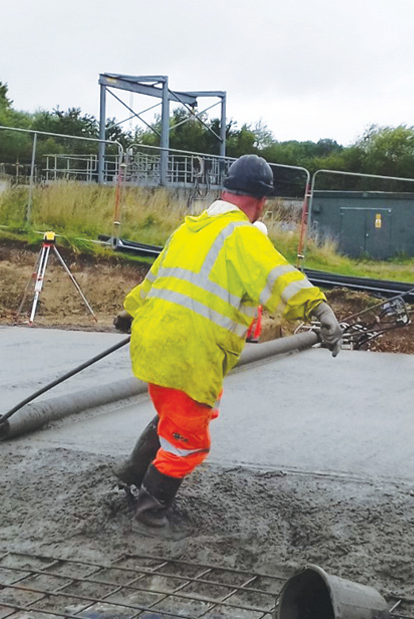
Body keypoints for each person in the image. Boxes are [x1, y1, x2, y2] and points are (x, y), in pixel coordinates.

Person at [112, 154, 343, 532]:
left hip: (153, 342)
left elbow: (155, 279)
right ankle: (149, 516)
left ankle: (131, 475)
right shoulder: (243, 235)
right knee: (188, 440)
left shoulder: (188, 230)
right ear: (262, 201)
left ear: (226, 189)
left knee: (172, 416)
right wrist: (319, 309)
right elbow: (278, 276)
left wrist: (131, 313)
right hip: (190, 353)